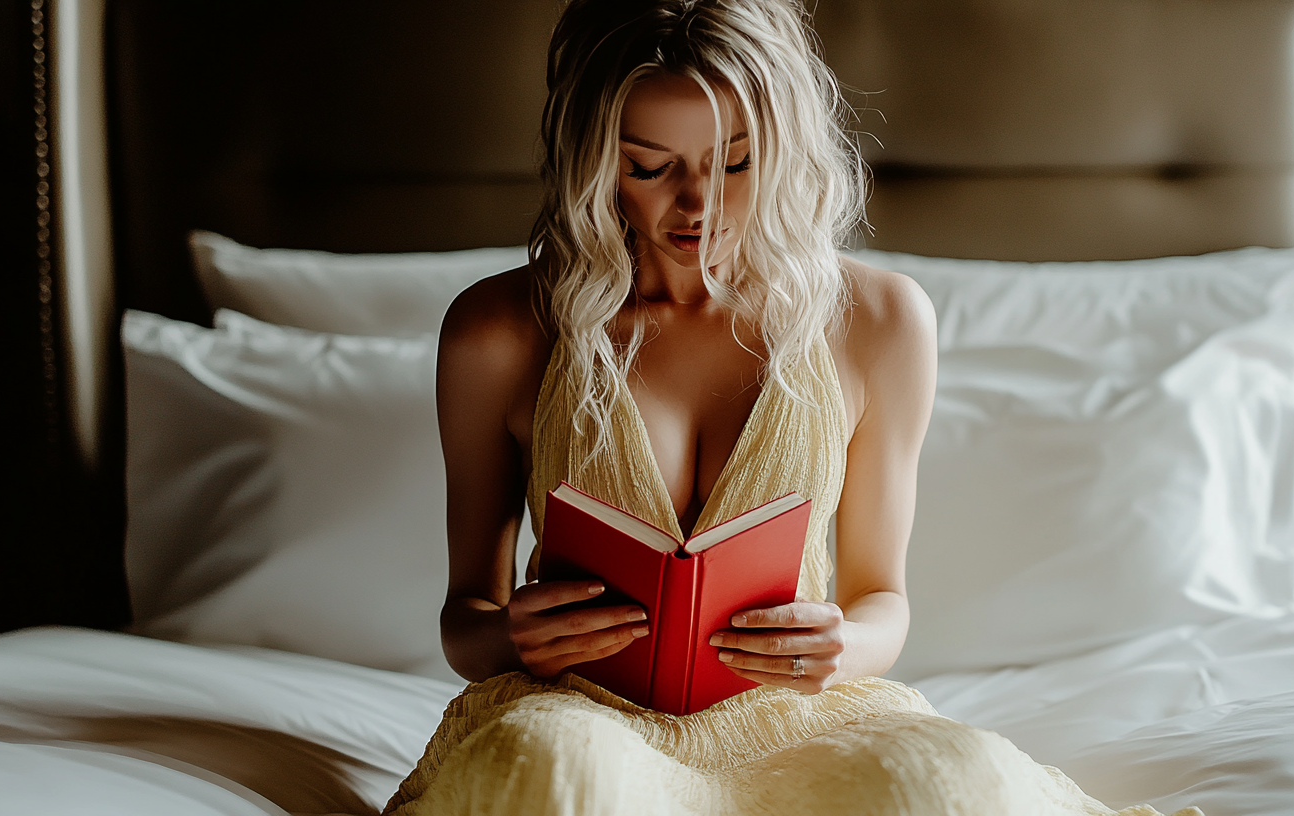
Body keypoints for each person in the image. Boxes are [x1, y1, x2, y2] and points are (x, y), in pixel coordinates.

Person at [383, 1, 1199, 814]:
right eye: (649, 167)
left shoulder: (877, 322)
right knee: (561, 778)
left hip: (796, 718)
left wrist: (841, 645)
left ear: (786, 150)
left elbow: (884, 599)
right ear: (592, 164)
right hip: (581, 710)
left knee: (940, 787)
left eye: (736, 163)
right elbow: (469, 618)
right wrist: (515, 638)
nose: (697, 203)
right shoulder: (501, 334)